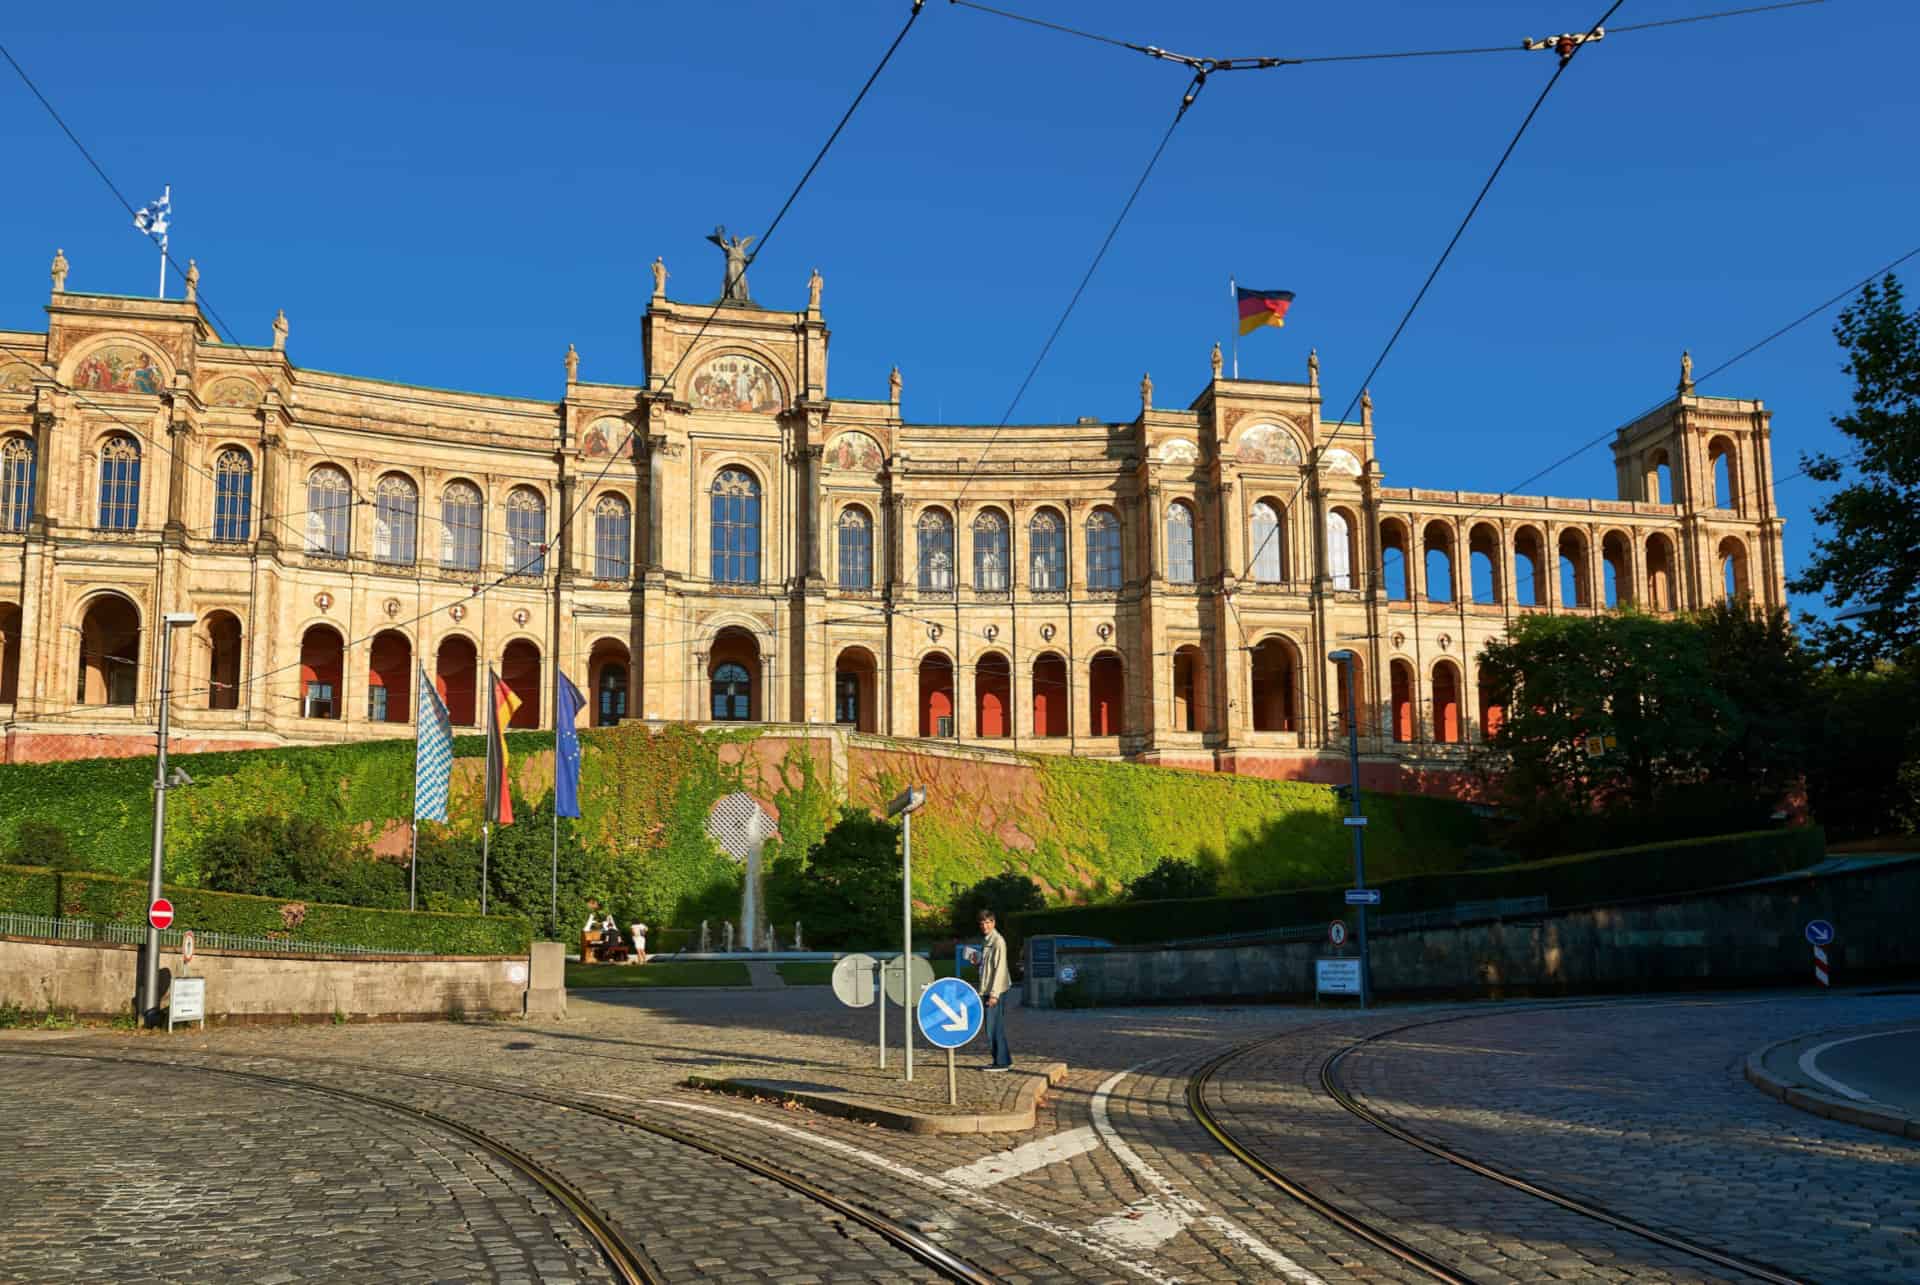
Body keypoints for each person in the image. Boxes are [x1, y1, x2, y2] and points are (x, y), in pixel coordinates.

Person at [977, 909, 1013, 1071]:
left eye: (988, 922)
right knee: (993, 1026)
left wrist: (994, 995)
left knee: (994, 1027)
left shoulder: (998, 942)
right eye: (982, 923)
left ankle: (1002, 1062)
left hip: (994, 991)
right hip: (987, 989)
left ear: (993, 923)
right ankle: (1002, 1059)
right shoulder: (986, 941)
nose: (985, 926)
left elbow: (999, 970)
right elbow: (988, 967)